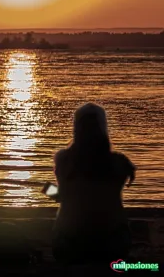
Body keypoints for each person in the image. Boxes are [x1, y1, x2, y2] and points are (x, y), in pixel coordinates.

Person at [52, 102, 136, 265]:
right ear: (104, 128)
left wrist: (46, 189)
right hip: (112, 248)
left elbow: (62, 197)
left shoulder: (63, 160)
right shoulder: (119, 162)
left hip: (69, 248)